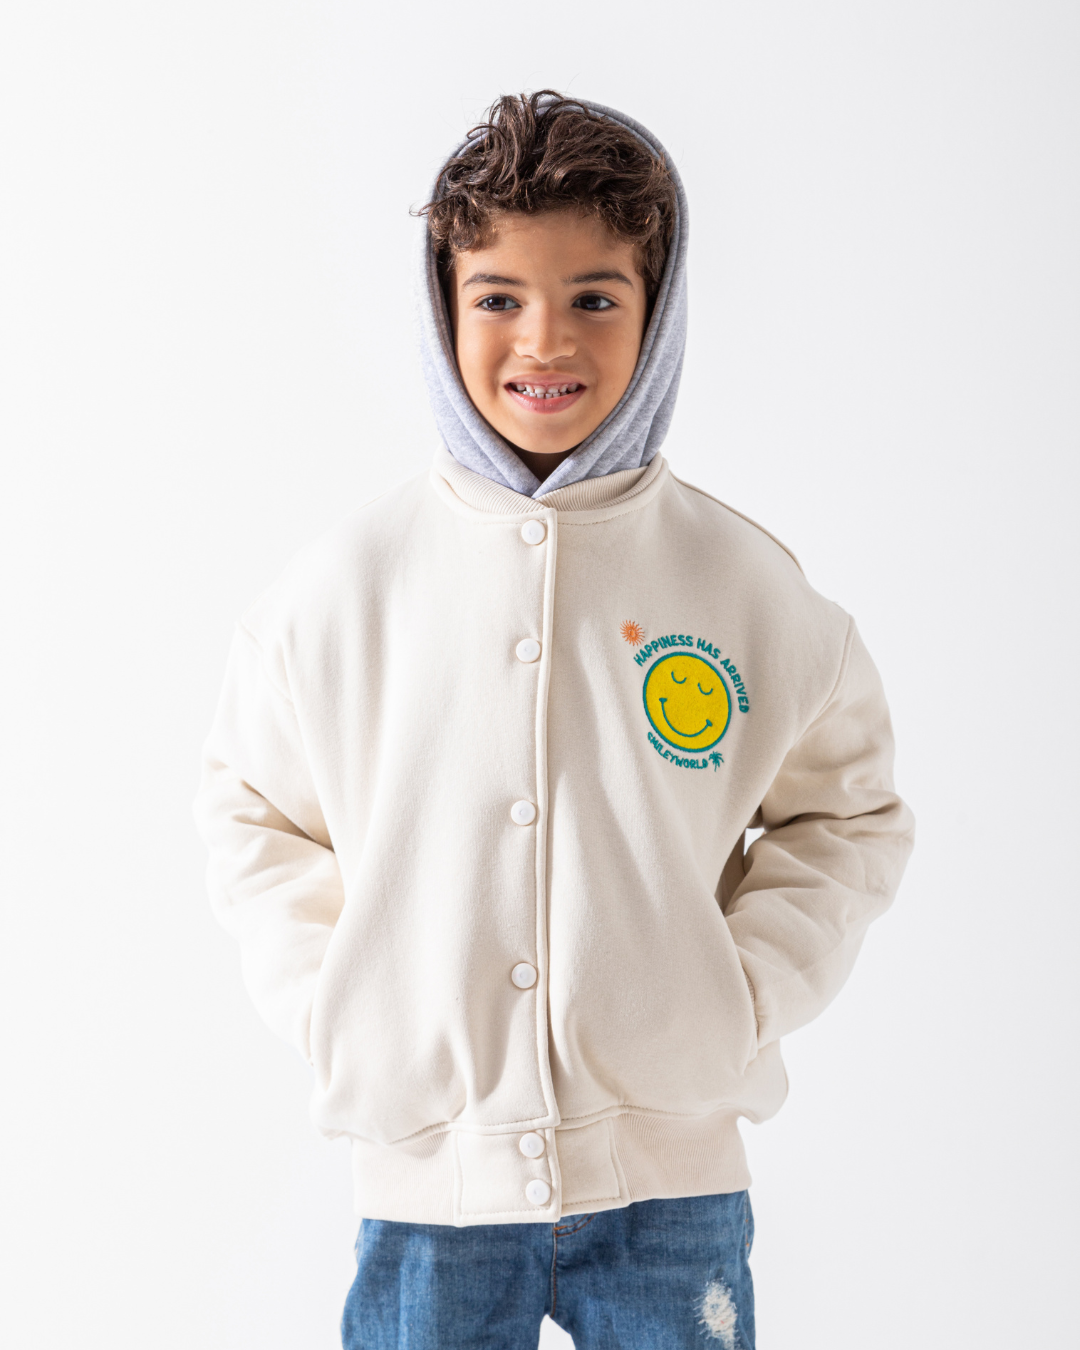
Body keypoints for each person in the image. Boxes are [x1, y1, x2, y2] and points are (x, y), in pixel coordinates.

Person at [194, 92, 914, 1350]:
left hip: (674, 1195)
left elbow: (848, 813)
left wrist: (738, 997)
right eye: (498, 297)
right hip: (428, 1193)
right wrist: (342, 1008)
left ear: (657, 310)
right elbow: (252, 812)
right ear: (442, 310)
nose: (545, 339)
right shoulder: (344, 590)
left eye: (594, 296)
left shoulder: (743, 587)